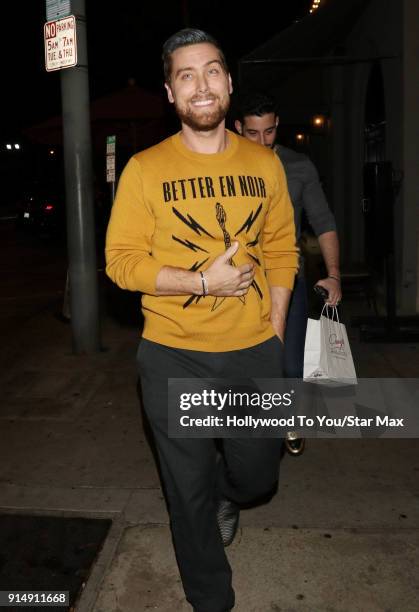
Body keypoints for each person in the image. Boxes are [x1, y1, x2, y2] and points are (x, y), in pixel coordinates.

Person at [106, 29, 298, 612]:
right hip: (174, 354)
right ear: (170, 92)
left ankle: (228, 494)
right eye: (186, 75)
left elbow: (284, 248)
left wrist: (275, 331)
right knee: (185, 494)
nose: (202, 85)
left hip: (252, 350)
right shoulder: (145, 168)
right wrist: (199, 282)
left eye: (212, 71)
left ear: (229, 84)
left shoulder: (265, 164)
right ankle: (211, 599)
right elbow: (121, 262)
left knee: (258, 475)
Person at [234, 91, 342, 455]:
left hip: (287, 278)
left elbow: (323, 221)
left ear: (277, 126)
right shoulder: (226, 165)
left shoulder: (298, 166)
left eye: (268, 132)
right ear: (238, 129)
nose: (262, 141)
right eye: (252, 133)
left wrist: (334, 274)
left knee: (289, 360)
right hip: (239, 281)